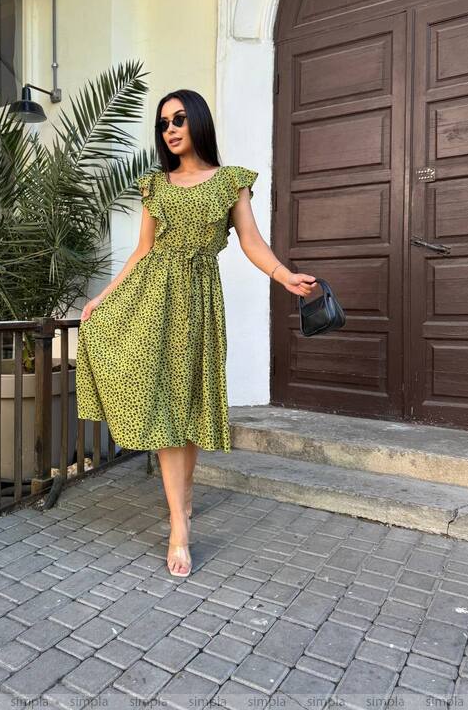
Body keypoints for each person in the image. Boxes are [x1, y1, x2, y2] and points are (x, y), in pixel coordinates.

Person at [75, 89, 317, 578]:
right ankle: (178, 527)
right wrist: (103, 297)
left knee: (190, 408)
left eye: (180, 118)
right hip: (150, 300)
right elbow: (143, 251)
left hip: (199, 303)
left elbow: (251, 242)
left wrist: (283, 275)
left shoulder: (230, 183)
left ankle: (185, 499)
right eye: (164, 122)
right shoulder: (154, 186)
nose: (171, 128)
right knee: (163, 407)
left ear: (199, 121)